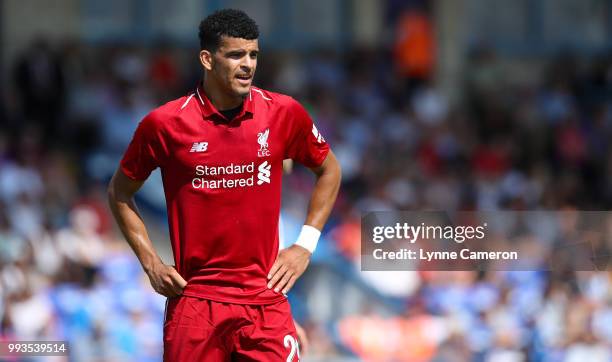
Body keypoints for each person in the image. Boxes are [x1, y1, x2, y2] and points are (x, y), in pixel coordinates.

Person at [107, 8, 341, 362]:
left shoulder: (283, 113)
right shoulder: (165, 124)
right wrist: (152, 264)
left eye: (253, 55)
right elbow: (119, 194)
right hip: (197, 302)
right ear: (207, 58)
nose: (247, 64)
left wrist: (304, 246)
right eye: (235, 55)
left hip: (265, 299)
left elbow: (329, 170)